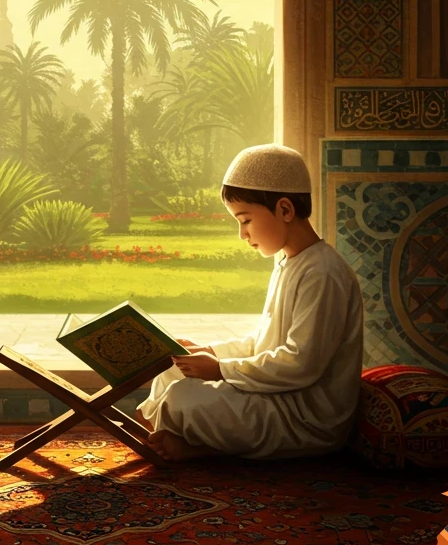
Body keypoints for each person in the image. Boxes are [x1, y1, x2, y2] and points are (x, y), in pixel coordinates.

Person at [134, 143, 364, 462]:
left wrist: (220, 370)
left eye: (245, 220)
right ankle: (178, 438)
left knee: (184, 397)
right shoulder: (290, 262)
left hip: (302, 416)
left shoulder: (322, 273)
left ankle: (193, 448)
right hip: (275, 396)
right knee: (172, 375)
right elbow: (263, 342)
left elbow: (300, 363)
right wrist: (210, 353)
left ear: (285, 210)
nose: (242, 234)